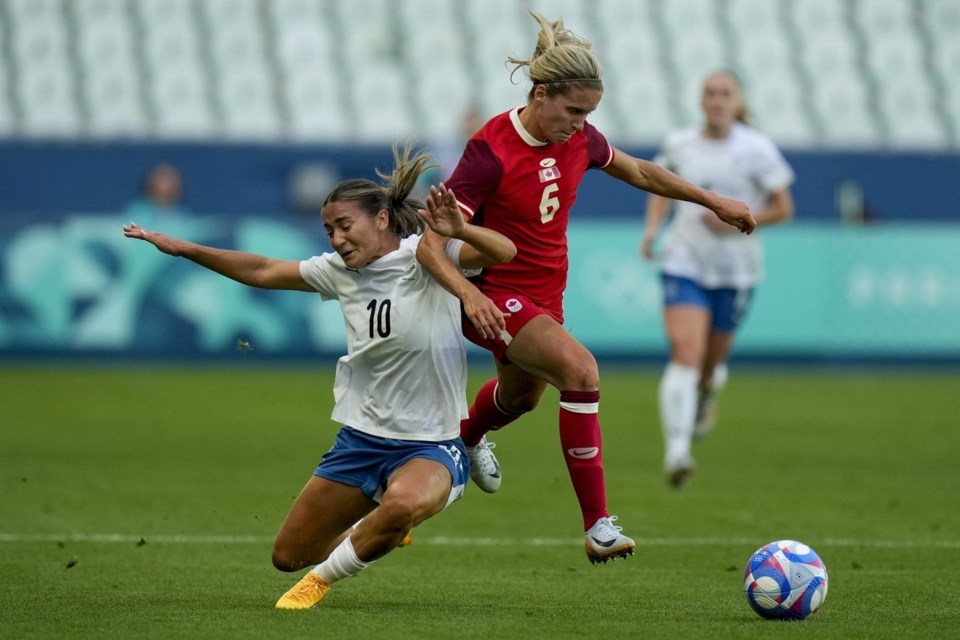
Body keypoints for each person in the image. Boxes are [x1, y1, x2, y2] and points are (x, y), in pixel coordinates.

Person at [416, 10, 757, 565]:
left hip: (546, 295)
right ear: (542, 93)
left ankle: (464, 438)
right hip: (495, 292)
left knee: (522, 397)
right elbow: (433, 246)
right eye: (573, 111)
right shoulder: (489, 151)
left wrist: (712, 199)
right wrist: (471, 296)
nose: (579, 124)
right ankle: (598, 526)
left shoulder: (578, 137)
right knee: (580, 371)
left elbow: (641, 172)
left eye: (588, 114)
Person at [123, 145, 516, 609]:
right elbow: (264, 269)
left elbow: (505, 251)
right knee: (289, 555)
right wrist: (184, 248)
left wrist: (460, 228)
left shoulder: (426, 256)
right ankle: (381, 533)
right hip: (362, 441)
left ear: (382, 220)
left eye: (345, 226)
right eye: (329, 229)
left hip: (430, 444)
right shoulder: (338, 271)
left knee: (403, 505)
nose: (336, 239)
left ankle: (319, 583)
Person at [640, 70, 795, 488]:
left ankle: (706, 394)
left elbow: (784, 207)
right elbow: (658, 186)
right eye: (709, 93)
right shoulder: (680, 144)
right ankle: (677, 452)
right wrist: (653, 229)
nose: (716, 100)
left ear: (737, 101)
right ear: (700, 99)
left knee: (708, 367)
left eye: (725, 93)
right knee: (685, 354)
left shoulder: (756, 148)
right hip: (684, 261)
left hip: (736, 271)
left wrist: (742, 220)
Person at [122, 163, 189, 232]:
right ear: (149, 186)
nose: (167, 186)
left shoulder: (185, 219)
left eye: (171, 181)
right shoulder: (136, 214)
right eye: (162, 179)